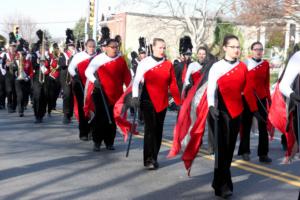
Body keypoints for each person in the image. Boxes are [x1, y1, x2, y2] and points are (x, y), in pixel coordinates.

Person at [207, 35, 259, 198]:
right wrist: (210, 106)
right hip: (220, 113)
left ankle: (217, 182)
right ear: (225, 48)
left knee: (229, 150)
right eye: (233, 46)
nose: (237, 50)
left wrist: (255, 109)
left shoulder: (243, 67)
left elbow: (248, 90)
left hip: (237, 113)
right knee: (222, 150)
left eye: (238, 47)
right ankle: (224, 186)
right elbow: (210, 89)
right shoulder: (217, 66)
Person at [132, 38, 181, 170]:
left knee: (158, 130)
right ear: (153, 48)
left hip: (162, 101)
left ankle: (154, 156)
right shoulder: (145, 62)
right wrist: (135, 97)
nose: (162, 50)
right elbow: (136, 80)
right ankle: (148, 159)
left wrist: (178, 101)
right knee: (150, 129)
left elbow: (173, 84)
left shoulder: (168, 64)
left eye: (164, 48)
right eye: (160, 47)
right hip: (147, 100)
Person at [85, 37, 131, 151]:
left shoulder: (121, 60)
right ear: (106, 48)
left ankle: (109, 142)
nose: (115, 49)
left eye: (116, 47)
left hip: (116, 95)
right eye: (112, 47)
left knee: (112, 119)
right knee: (101, 118)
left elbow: (127, 77)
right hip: (100, 93)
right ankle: (97, 141)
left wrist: (131, 91)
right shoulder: (98, 59)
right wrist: (95, 81)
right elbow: (88, 72)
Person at [238, 41, 272, 163]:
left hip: (261, 98)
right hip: (247, 99)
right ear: (252, 50)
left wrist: (269, 99)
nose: (258, 51)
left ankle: (263, 154)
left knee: (263, 127)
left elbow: (266, 83)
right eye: (256, 49)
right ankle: (245, 151)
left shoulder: (265, 64)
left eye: (261, 49)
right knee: (246, 125)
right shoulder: (245, 64)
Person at [68, 39, 97, 141]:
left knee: (94, 109)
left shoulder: (98, 56)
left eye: (93, 46)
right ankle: (83, 132)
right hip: (81, 85)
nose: (92, 48)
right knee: (83, 109)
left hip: (93, 86)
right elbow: (70, 68)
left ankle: (93, 131)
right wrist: (75, 75)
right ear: (85, 46)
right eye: (90, 46)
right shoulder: (79, 56)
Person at [31, 30, 50, 123]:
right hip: (37, 78)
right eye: (42, 46)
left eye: (45, 46)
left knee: (44, 96)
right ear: (39, 47)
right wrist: (38, 63)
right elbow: (33, 65)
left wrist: (46, 61)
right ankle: (37, 114)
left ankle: (41, 114)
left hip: (46, 78)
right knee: (37, 96)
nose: (43, 48)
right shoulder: (35, 55)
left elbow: (52, 66)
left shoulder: (49, 55)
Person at [59, 29, 76, 124]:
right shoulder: (63, 55)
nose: (72, 47)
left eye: (73, 45)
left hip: (74, 76)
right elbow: (61, 64)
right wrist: (71, 58)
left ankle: (70, 114)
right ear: (67, 46)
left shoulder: (77, 54)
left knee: (73, 95)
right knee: (67, 94)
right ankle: (65, 114)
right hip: (65, 75)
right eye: (70, 45)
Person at [2, 32, 18, 113]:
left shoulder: (18, 55)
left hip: (15, 75)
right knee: (9, 90)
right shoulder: (6, 55)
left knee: (15, 92)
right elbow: (3, 66)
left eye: (14, 46)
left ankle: (14, 105)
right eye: (11, 46)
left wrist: (16, 65)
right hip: (8, 75)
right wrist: (6, 65)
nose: (13, 48)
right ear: (9, 47)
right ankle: (9, 105)